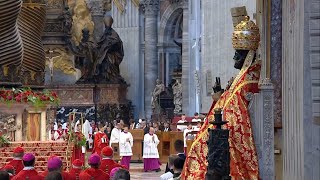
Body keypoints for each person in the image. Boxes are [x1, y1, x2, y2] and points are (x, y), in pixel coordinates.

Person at [182, 17, 261, 179]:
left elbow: (233, 114)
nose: (234, 59)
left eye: (237, 55)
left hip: (226, 141)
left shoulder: (247, 81)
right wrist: (219, 97)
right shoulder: (241, 79)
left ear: (247, 56)